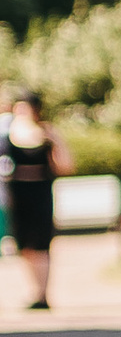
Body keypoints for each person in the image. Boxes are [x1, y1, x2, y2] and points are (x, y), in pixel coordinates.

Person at [3, 94, 60, 310]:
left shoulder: (47, 134)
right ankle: (34, 290)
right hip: (18, 193)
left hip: (40, 191)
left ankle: (43, 294)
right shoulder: (8, 134)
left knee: (41, 243)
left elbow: (64, 166)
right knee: (24, 244)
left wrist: (56, 140)